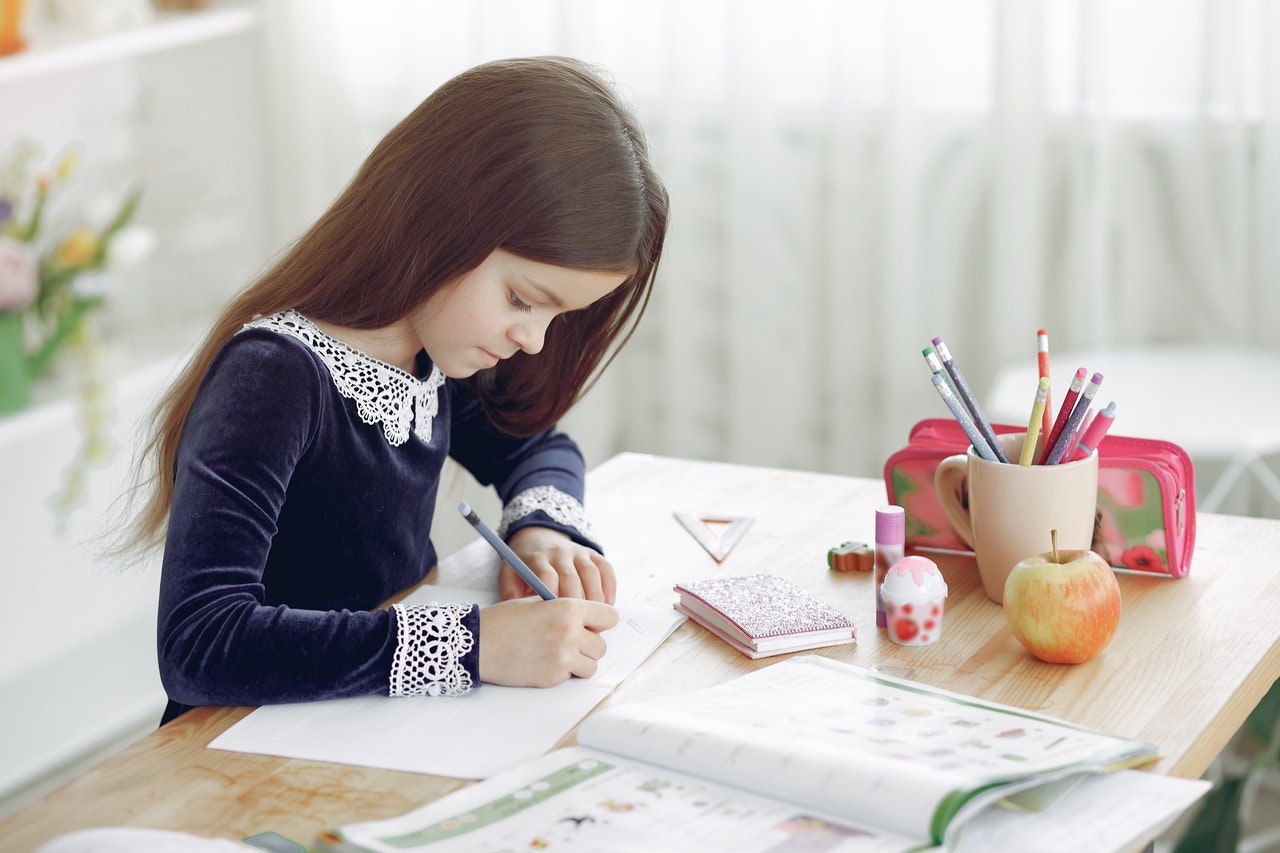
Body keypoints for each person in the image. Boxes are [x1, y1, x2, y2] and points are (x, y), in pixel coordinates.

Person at [119, 56, 669, 725]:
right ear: (444, 218)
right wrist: (470, 645)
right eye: (523, 299)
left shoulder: (427, 359)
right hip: (245, 744)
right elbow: (202, 645)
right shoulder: (274, 374)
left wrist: (540, 528)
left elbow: (539, 447)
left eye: (558, 317)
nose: (534, 340)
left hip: (370, 723)